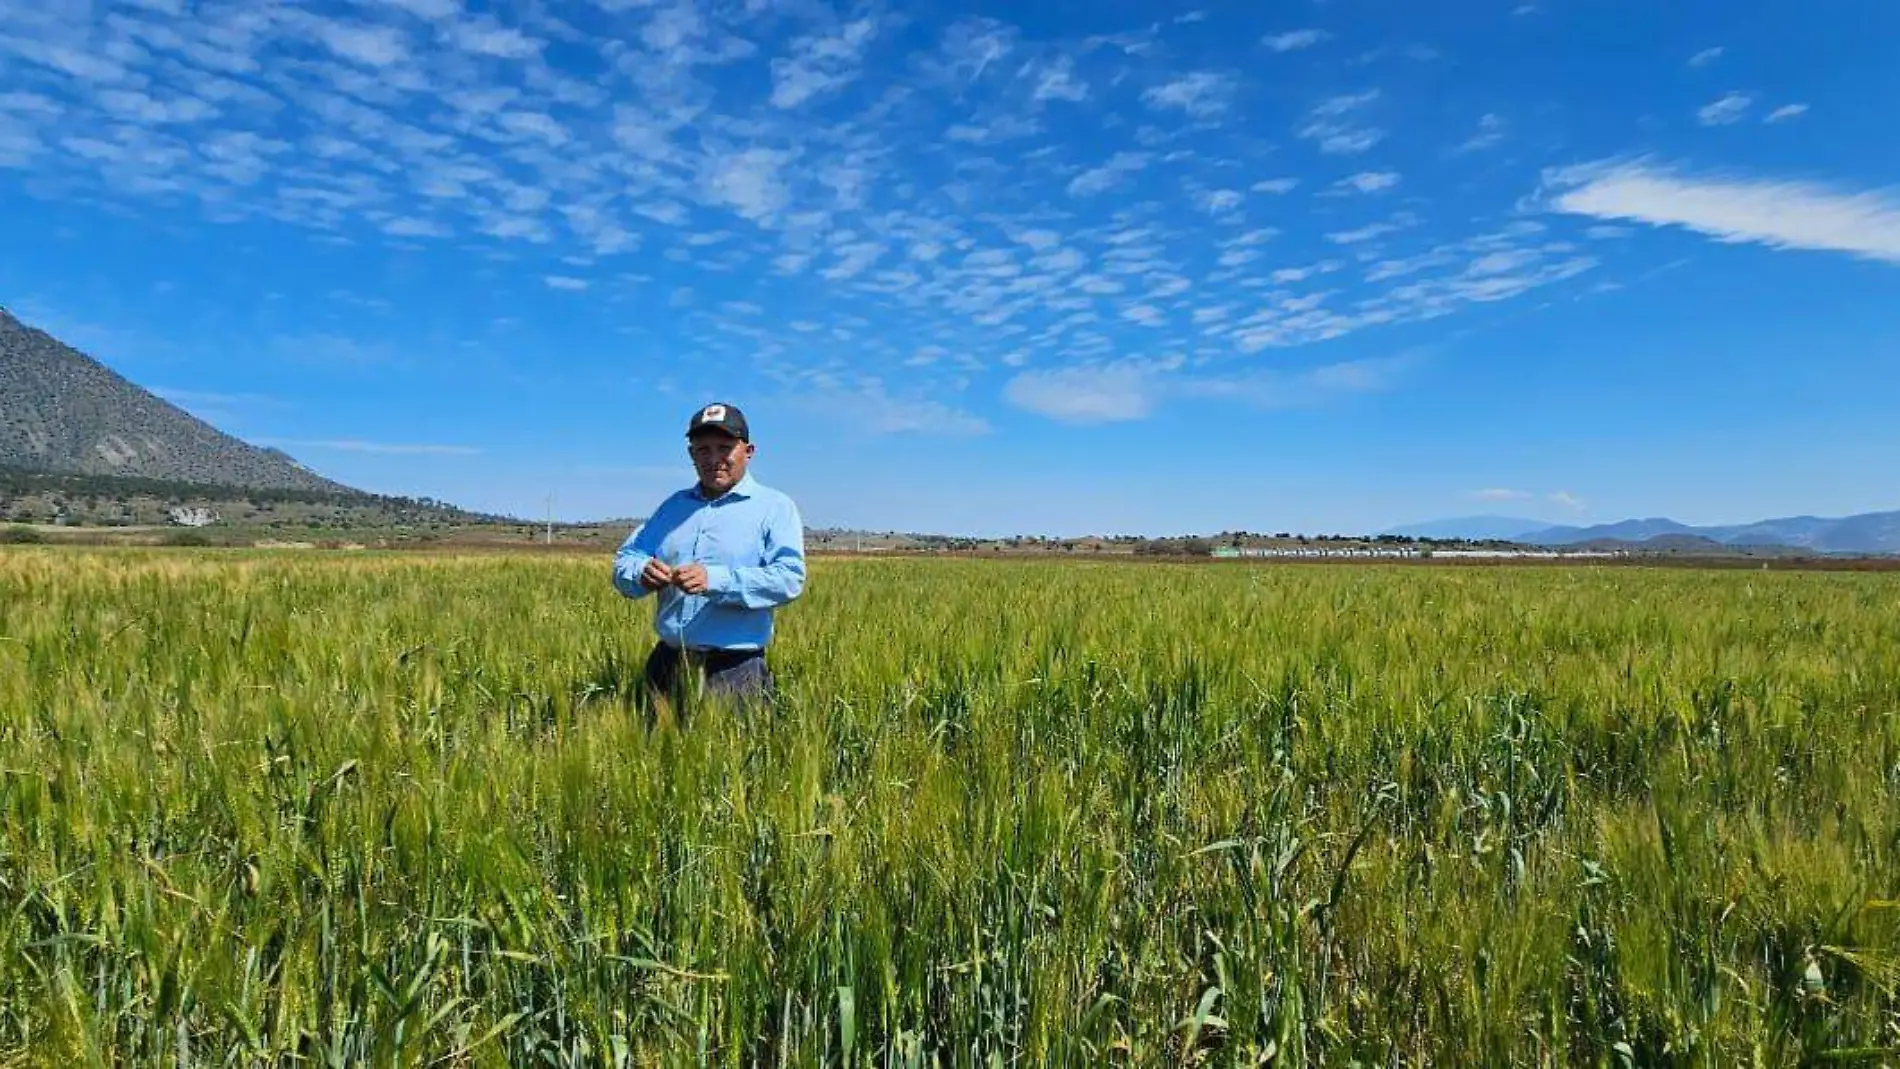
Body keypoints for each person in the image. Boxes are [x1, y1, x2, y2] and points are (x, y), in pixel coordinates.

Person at [612, 402, 806, 716]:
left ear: (748, 450)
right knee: (649, 761)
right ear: (691, 455)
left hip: (735, 672)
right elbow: (627, 558)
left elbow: (789, 579)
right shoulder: (672, 507)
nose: (713, 459)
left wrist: (715, 580)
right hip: (668, 664)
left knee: (727, 763)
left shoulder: (775, 507)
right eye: (702, 450)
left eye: (725, 448)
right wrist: (640, 573)